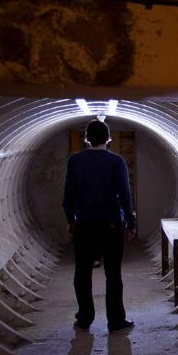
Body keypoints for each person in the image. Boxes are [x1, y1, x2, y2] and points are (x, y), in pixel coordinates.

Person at [62, 119, 138, 333]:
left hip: (84, 224)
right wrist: (131, 223)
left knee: (82, 273)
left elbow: (68, 195)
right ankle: (115, 320)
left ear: (86, 138)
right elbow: (125, 195)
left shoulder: (75, 161)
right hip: (111, 224)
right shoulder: (116, 162)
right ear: (108, 138)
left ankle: (84, 318)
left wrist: (70, 220)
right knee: (113, 274)